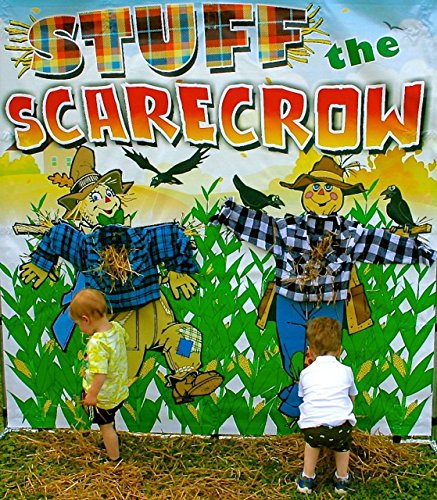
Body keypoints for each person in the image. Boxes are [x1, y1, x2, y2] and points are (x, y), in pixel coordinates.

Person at [296, 317, 357, 495]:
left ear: (310, 352)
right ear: (339, 350)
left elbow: (304, 397)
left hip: (313, 429)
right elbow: (352, 397)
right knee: (343, 446)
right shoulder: (346, 371)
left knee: (311, 444)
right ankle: (342, 480)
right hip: (340, 429)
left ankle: (307, 478)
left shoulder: (306, 373)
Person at [69, 288, 129, 464]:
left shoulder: (97, 343)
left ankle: (114, 459)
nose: (80, 329)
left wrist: (92, 395)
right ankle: (113, 441)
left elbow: (100, 374)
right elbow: (125, 340)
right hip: (118, 391)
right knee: (110, 419)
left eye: (79, 324)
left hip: (103, 396)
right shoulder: (117, 328)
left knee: (105, 426)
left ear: (86, 319)